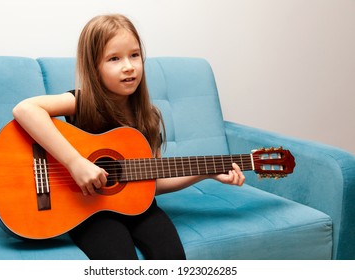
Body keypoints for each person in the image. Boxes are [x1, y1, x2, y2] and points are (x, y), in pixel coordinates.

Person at [12, 14, 245, 260]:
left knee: (172, 257)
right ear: (94, 67)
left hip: (140, 209)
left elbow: (153, 182)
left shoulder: (149, 117)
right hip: (89, 211)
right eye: (114, 58)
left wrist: (206, 172)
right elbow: (25, 109)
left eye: (134, 55)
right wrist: (75, 162)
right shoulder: (82, 103)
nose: (128, 66)